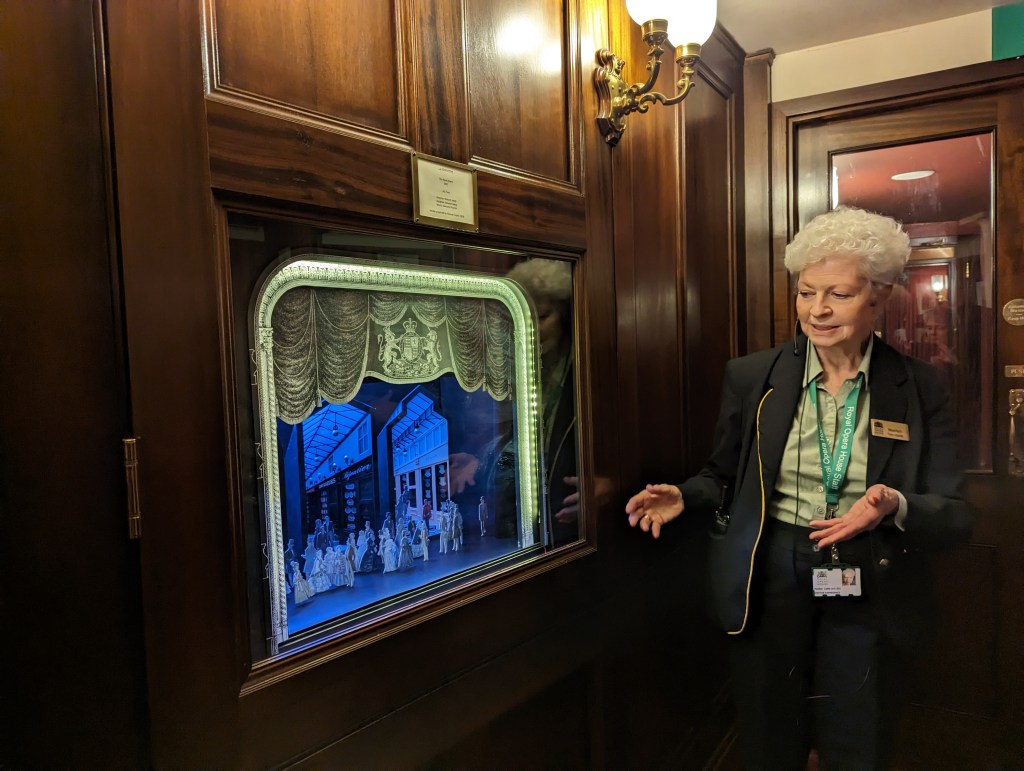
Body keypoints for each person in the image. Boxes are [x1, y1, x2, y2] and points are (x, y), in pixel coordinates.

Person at [625, 207, 971, 769]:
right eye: (806, 293)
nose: (817, 310)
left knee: (858, 729)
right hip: (772, 566)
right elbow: (723, 475)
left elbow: (955, 512)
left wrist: (894, 504)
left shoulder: (920, 386)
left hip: (866, 567)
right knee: (769, 726)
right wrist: (685, 496)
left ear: (880, 297)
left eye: (839, 294)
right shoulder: (752, 376)